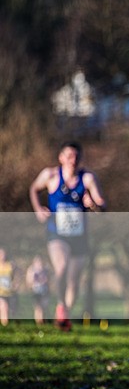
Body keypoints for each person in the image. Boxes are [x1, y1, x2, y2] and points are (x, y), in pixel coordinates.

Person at [29, 141, 107, 331]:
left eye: (77, 156)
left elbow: (102, 206)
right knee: (61, 267)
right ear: (61, 157)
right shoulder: (51, 175)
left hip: (79, 236)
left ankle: (64, 314)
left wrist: (92, 205)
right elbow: (34, 189)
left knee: (74, 282)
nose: (73, 160)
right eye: (70, 156)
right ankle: (61, 307)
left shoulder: (87, 178)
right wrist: (38, 209)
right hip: (57, 234)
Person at [26, 255, 50, 326]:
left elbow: (49, 280)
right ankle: (38, 323)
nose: (39, 264)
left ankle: (43, 322)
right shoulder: (31, 270)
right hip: (35, 292)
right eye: (37, 262)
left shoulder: (46, 270)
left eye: (40, 262)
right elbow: (28, 281)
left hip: (44, 291)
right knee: (38, 308)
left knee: (43, 307)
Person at [0, 248, 18, 326]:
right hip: (1, 292)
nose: (2, 256)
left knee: (11, 310)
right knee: (4, 307)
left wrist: (16, 283)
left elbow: (16, 275)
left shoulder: (10, 265)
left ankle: (7, 324)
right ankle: (5, 326)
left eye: (3, 254)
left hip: (9, 291)